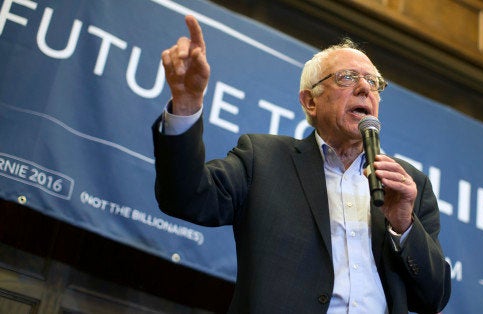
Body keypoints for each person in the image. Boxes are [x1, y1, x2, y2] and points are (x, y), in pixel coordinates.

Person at [152, 15, 451, 314]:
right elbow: (186, 197)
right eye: (347, 77)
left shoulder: (409, 184)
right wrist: (187, 103)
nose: (364, 88)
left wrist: (404, 225)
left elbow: (433, 297)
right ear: (310, 101)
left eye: (373, 82)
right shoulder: (263, 159)